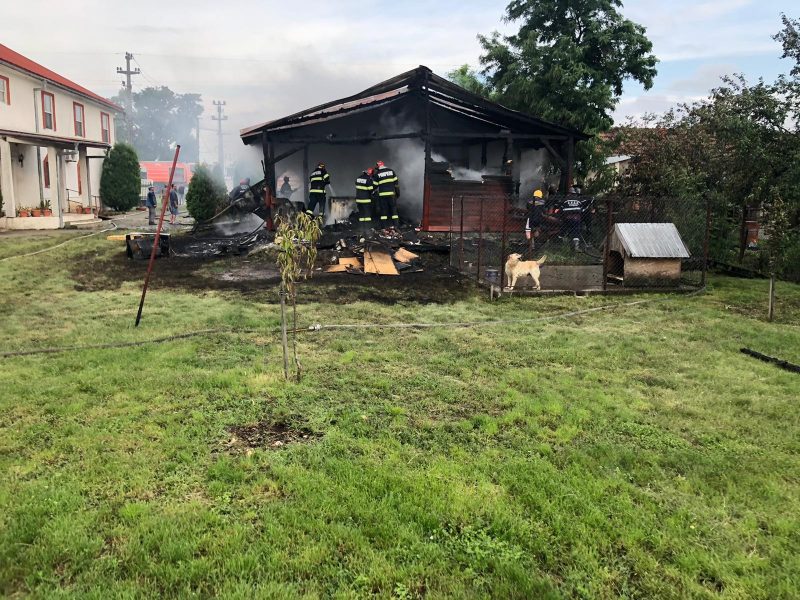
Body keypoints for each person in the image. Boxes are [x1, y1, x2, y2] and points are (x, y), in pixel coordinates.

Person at [373, 160, 399, 228]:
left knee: (384, 211)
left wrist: (371, 192)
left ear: (378, 166)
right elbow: (396, 183)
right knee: (394, 210)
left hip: (383, 196)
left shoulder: (377, 174)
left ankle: (384, 227)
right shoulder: (391, 171)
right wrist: (397, 193)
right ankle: (396, 226)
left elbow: (374, 185)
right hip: (391, 195)